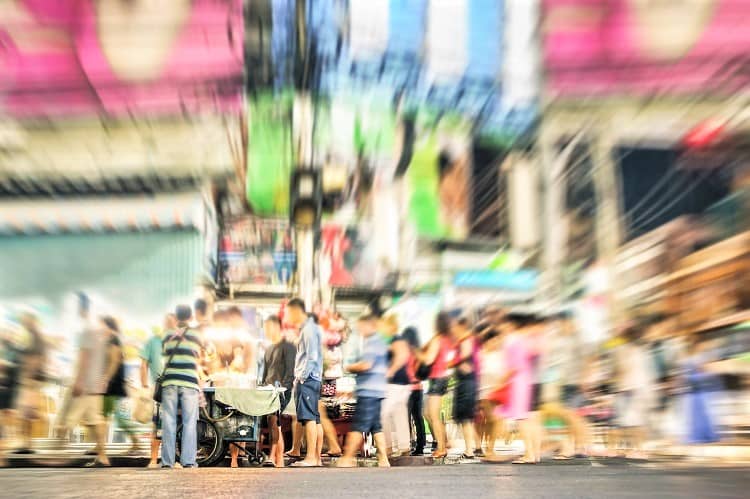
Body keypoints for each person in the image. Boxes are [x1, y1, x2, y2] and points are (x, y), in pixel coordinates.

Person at [337, 312, 390, 468]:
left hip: (369, 392)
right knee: (375, 426)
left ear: (370, 325)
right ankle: (383, 459)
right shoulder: (379, 342)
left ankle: (347, 458)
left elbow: (367, 365)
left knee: (359, 425)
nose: (360, 330)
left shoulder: (372, 343)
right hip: (376, 391)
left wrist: (349, 367)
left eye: (361, 327)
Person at [62, 299, 110, 466]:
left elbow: (84, 358)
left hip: (86, 384)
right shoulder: (99, 331)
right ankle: (102, 456)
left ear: (81, 309)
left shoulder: (87, 330)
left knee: (69, 419)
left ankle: (56, 455)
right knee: (94, 419)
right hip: (94, 384)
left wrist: (78, 380)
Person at [160, 305, 204, 469]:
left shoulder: (166, 335)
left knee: (169, 422)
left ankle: (167, 462)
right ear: (190, 317)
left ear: (176, 317)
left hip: (170, 381)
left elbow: (165, 355)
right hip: (189, 382)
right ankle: (188, 461)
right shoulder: (196, 335)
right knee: (189, 422)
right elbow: (199, 356)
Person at [287, 298, 324, 468]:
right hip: (313, 378)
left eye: (289, 313)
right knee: (315, 418)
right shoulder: (310, 328)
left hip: (308, 378)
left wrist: (301, 376)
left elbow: (312, 356)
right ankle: (316, 458)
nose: (288, 316)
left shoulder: (308, 329)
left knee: (309, 418)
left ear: (296, 311)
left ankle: (310, 458)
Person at [259, 315, 296, 467]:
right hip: (268, 391)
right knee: (273, 423)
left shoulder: (288, 347)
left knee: (275, 421)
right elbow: (265, 372)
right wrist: (261, 386)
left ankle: (273, 456)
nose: (266, 331)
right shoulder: (268, 348)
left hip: (281, 391)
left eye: (268, 327)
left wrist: (284, 390)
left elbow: (290, 371)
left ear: (277, 327)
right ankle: (277, 460)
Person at [417, 312, 454, 459]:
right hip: (441, 378)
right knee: (427, 412)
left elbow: (428, 360)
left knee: (433, 415)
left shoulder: (437, 339)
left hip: (437, 379)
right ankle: (444, 443)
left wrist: (416, 353)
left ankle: (442, 447)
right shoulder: (447, 339)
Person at [100, 316, 139, 455]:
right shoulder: (108, 340)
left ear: (108, 326)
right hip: (110, 384)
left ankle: (136, 442)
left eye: (101, 324)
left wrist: (106, 379)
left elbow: (114, 361)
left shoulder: (114, 340)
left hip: (113, 385)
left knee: (118, 418)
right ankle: (99, 447)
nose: (99, 328)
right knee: (103, 416)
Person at [141, 314, 174, 468]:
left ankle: (171, 459)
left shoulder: (177, 341)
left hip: (175, 387)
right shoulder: (153, 341)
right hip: (159, 388)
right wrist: (144, 384)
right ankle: (153, 459)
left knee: (173, 424)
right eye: (168, 323)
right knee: (157, 424)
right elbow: (144, 363)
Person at [11, 311, 47, 455]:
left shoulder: (36, 337)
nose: (23, 322)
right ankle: (26, 443)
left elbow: (37, 359)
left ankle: (26, 443)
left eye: (25, 320)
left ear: (32, 321)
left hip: (30, 380)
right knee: (26, 413)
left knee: (26, 412)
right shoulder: (31, 336)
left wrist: (28, 378)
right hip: (30, 379)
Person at [379, 313, 412, 457]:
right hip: (402, 383)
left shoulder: (396, 340)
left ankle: (387, 447)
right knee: (399, 413)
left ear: (390, 326)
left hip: (395, 383)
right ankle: (404, 446)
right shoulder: (393, 340)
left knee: (382, 414)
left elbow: (402, 356)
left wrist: (390, 371)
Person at [449, 315, 480, 459]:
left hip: (467, 382)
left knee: (466, 418)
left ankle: (470, 450)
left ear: (462, 326)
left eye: (454, 326)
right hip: (465, 381)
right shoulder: (466, 340)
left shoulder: (467, 340)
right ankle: (475, 447)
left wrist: (450, 363)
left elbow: (464, 356)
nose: (453, 329)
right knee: (465, 418)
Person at [401, 326, 426, 456]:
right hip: (419, 387)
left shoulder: (405, 352)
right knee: (418, 418)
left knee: (406, 418)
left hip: (409, 388)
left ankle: (407, 444)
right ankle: (420, 446)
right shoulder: (419, 351)